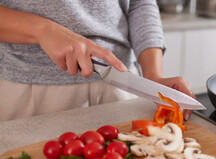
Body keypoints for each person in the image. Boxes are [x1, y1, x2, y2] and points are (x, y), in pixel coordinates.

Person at [0, 1, 194, 121]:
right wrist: (43, 30)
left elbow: (140, 3)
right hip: (30, 89)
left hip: (122, 84)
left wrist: (153, 76)